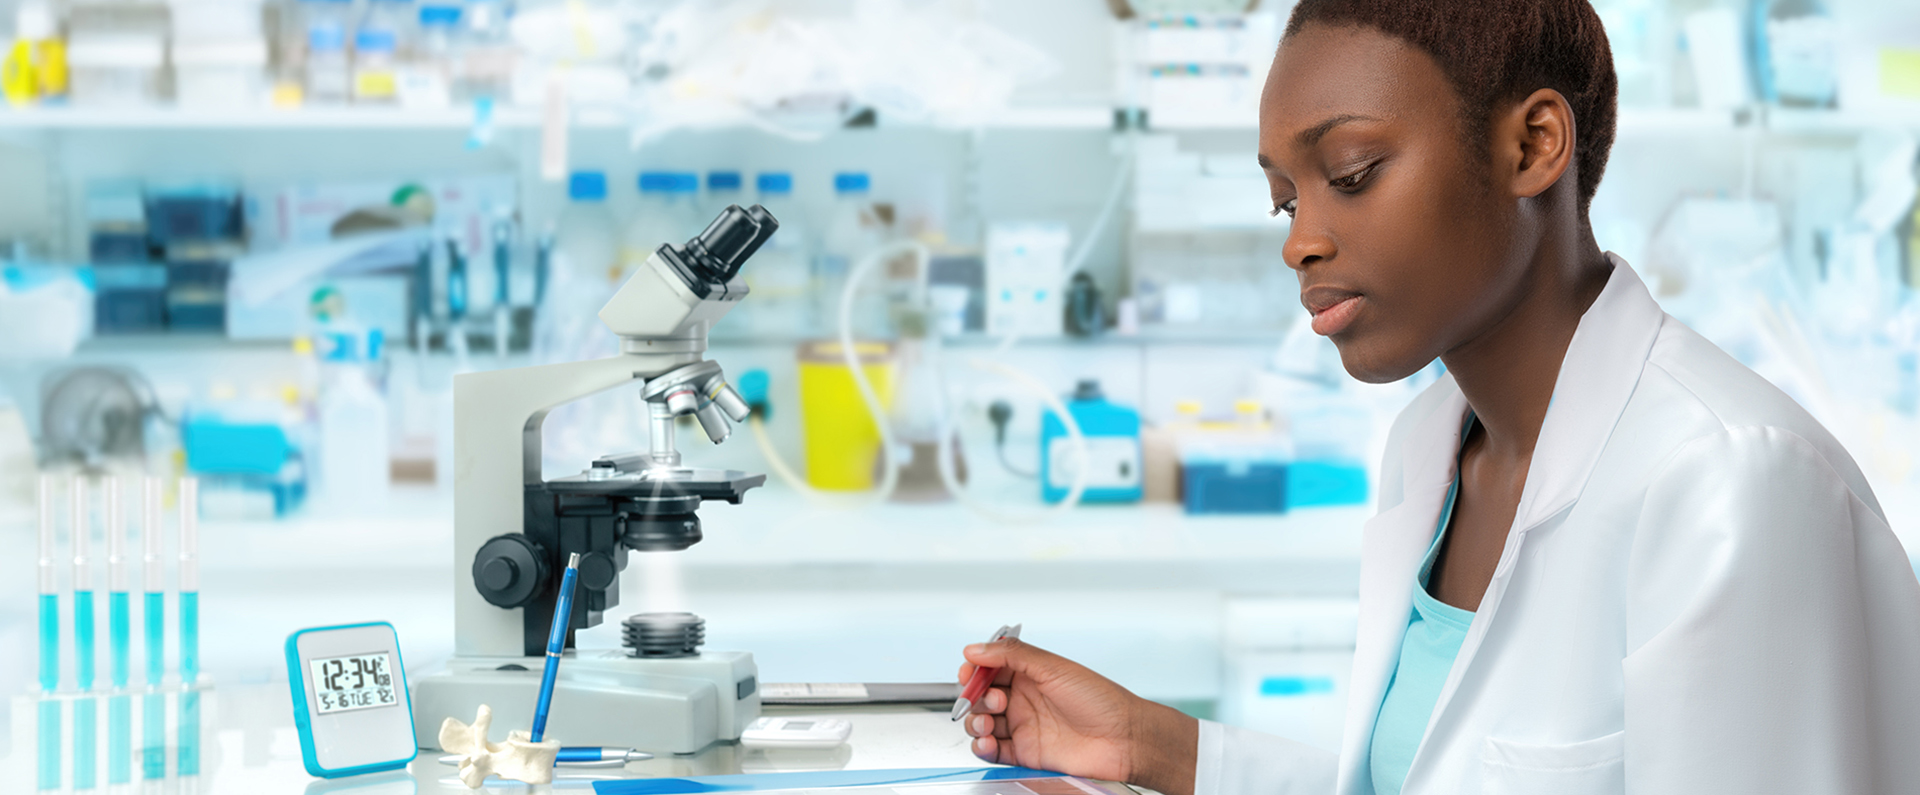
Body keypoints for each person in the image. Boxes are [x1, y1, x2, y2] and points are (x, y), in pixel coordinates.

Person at [955, 1, 1920, 793]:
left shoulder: (1727, 480)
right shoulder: (1431, 447)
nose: (1301, 240)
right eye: (1289, 199)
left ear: (1534, 145)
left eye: (1352, 174)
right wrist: (1153, 750)